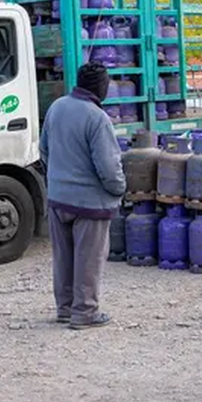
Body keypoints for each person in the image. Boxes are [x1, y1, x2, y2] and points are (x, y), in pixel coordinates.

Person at [39, 63, 126, 330]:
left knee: (64, 258)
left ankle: (65, 309)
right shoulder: (97, 118)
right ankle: (85, 313)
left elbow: (44, 151)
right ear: (101, 87)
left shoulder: (57, 107)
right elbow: (109, 168)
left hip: (58, 199)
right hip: (89, 204)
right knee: (88, 259)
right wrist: (120, 188)